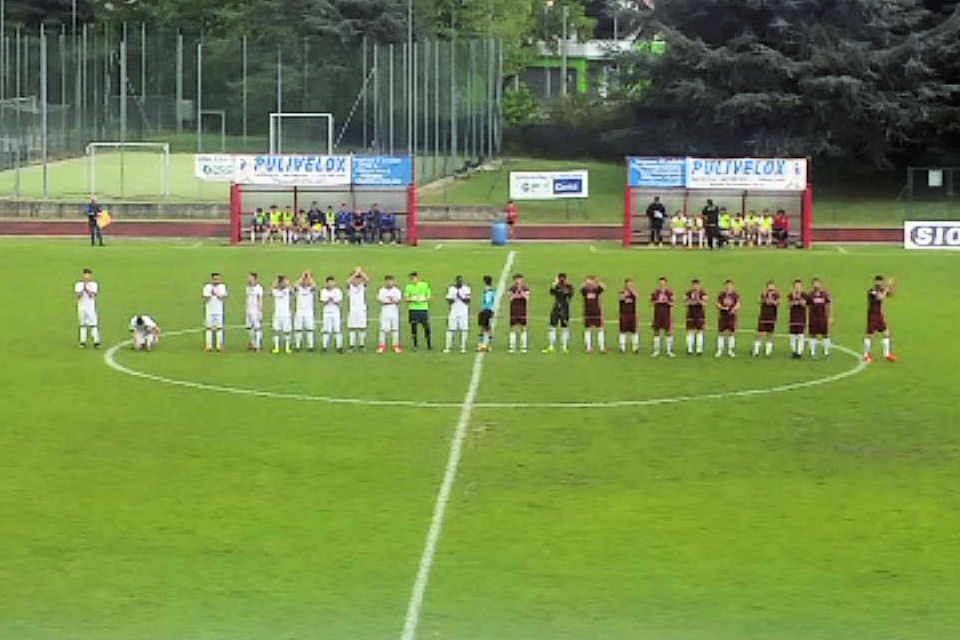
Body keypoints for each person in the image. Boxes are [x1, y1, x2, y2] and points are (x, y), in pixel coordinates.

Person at [864, 275, 898, 363]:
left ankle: (887, 354)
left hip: (879, 315)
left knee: (886, 333)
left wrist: (892, 286)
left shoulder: (882, 290)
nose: (879, 283)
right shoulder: (872, 291)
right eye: (878, 281)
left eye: (881, 281)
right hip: (872, 315)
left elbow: (891, 294)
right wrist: (887, 288)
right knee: (870, 335)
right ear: (875, 282)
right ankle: (866, 355)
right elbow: (880, 297)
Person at [544, 272, 574, 353]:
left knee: (565, 327)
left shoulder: (569, 287)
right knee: (552, 327)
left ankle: (564, 346)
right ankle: (551, 346)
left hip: (565, 308)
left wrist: (564, 288)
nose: (562, 280)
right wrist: (555, 284)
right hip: (556, 308)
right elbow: (551, 292)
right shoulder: (556, 286)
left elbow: (570, 295)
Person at [405, 271, 433, 350]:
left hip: (423, 309)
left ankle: (429, 344)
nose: (413, 280)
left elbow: (429, 297)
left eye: (414, 278)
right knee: (414, 327)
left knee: (426, 327)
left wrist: (423, 299)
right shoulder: (408, 287)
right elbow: (407, 298)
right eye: (412, 279)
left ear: (418, 278)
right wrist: (412, 299)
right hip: (413, 309)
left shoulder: (424, 285)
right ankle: (415, 345)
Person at [806, 277, 832, 359]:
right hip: (813, 317)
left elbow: (828, 305)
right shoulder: (810, 295)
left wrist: (830, 316)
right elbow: (807, 306)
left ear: (821, 284)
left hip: (823, 317)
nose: (816, 285)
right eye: (814, 284)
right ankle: (813, 352)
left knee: (825, 334)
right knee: (813, 335)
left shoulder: (825, 294)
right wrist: (806, 318)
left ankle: (826, 352)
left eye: (818, 283)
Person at [75, 267, 101, 348]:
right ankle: (83, 341)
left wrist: (87, 289)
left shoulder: (94, 285)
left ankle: (96, 341)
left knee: (93, 324)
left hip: (91, 307)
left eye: (89, 275)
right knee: (83, 324)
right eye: (86, 275)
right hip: (82, 307)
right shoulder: (79, 284)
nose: (87, 276)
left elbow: (93, 296)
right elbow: (78, 296)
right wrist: (82, 289)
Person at [445, 275, 472, 353]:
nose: (459, 282)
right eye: (458, 281)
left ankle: (463, 347)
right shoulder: (451, 289)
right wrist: (453, 298)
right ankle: (448, 347)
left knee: (464, 329)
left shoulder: (466, 289)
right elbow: (449, 301)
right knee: (450, 329)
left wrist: (460, 296)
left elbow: (467, 301)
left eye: (460, 281)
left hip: (463, 311)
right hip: (453, 311)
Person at [377, 275, 403, 354]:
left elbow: (398, 300)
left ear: (394, 282)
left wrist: (391, 300)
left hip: (394, 310)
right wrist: (390, 300)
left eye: (391, 281)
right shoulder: (381, 290)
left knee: (395, 329)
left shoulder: (397, 290)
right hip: (385, 310)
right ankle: (382, 346)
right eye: (388, 281)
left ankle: (396, 346)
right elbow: (380, 300)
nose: (389, 283)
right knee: (383, 329)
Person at [753, 280, 781, 357]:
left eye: (772, 286)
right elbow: (759, 301)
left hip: (772, 317)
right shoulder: (763, 294)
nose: (771, 288)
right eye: (769, 286)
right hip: (763, 317)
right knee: (760, 334)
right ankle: (756, 351)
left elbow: (778, 303)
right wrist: (765, 299)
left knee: (770, 334)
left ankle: (768, 351)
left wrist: (772, 301)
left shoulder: (776, 295)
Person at [202, 272, 228, 352]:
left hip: (219, 310)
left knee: (219, 328)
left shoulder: (222, 287)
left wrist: (218, 294)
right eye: (215, 279)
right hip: (209, 310)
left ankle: (219, 346)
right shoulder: (207, 287)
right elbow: (205, 298)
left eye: (218, 279)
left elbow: (224, 297)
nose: (217, 280)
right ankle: (208, 346)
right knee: (209, 328)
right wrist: (210, 294)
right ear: (212, 279)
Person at [650, 276, 676, 357]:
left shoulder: (670, 293)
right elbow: (651, 303)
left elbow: (673, 303)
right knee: (656, 332)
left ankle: (669, 351)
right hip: (657, 315)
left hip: (666, 315)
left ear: (666, 284)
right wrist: (657, 301)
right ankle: (656, 351)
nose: (662, 285)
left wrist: (666, 301)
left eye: (663, 283)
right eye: (660, 283)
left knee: (668, 332)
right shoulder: (655, 292)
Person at [715, 279, 741, 357]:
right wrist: (722, 307)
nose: (728, 287)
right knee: (722, 333)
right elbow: (717, 303)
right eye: (727, 285)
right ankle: (720, 350)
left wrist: (734, 309)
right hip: (723, 316)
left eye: (730, 285)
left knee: (732, 333)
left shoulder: (735, 295)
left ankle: (730, 350)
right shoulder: (721, 294)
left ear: (732, 286)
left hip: (732, 316)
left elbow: (738, 304)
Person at [347, 266, 371, 351]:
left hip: (361, 309)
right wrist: (355, 273)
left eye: (359, 279)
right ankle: (351, 345)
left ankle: (362, 345)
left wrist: (361, 272)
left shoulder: (363, 286)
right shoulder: (350, 287)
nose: (357, 280)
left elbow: (368, 280)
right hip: (353, 309)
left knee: (362, 328)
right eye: (356, 278)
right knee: (352, 328)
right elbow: (348, 281)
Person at [581, 275, 607, 353]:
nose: (590, 284)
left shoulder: (597, 290)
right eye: (589, 283)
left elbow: (604, 287)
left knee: (600, 328)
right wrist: (586, 283)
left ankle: (602, 348)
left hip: (597, 311)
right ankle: (589, 348)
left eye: (591, 282)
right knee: (589, 329)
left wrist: (597, 282)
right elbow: (581, 288)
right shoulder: (585, 290)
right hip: (588, 312)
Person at [294, 270, 317, 352]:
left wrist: (309, 277)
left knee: (310, 329)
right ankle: (297, 345)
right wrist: (302, 277)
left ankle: (310, 346)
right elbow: (296, 285)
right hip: (299, 310)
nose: (305, 282)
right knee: (298, 329)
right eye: (304, 280)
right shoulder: (299, 289)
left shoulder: (311, 289)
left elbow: (314, 285)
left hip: (309, 311)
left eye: (307, 280)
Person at [684, 279, 709, 356]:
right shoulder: (688, 293)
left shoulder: (703, 293)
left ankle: (699, 349)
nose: (695, 287)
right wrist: (691, 302)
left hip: (700, 314)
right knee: (690, 332)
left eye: (697, 285)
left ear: (699, 285)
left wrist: (698, 300)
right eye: (694, 285)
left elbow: (705, 303)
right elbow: (685, 302)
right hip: (691, 314)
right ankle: (690, 349)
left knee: (700, 331)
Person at [320, 276, 344, 353]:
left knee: (337, 330)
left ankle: (339, 346)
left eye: (332, 282)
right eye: (329, 282)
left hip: (336, 312)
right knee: (326, 330)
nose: (330, 284)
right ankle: (324, 346)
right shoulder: (323, 291)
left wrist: (333, 300)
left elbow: (339, 302)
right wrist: (328, 300)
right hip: (326, 312)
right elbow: (322, 302)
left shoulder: (338, 291)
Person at [507, 273, 531, 353]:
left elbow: (527, 298)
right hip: (514, 309)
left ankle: (524, 347)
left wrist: (521, 291)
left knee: (524, 327)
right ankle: (512, 346)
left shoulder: (526, 288)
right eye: (517, 279)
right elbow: (510, 298)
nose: (519, 281)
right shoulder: (512, 288)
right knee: (514, 327)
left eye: (520, 279)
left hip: (523, 309)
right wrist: (516, 293)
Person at [271, 275, 293, 354]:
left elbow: (292, 290)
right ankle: (276, 347)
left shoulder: (287, 290)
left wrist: (286, 282)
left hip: (286, 314)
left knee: (287, 331)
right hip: (277, 314)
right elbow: (272, 288)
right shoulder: (275, 291)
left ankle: (287, 347)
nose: (281, 283)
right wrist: (277, 282)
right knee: (276, 331)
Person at [618, 278, 640, 354]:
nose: (629, 286)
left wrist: (632, 291)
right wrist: (625, 294)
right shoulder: (622, 292)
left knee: (634, 331)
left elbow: (637, 297)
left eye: (630, 284)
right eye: (628, 284)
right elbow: (620, 298)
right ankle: (622, 347)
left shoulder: (634, 292)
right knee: (623, 331)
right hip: (624, 314)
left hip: (632, 314)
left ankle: (635, 347)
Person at [787, 279, 807, 359]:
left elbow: (805, 305)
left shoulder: (805, 295)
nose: (797, 288)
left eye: (799, 286)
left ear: (801, 287)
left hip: (801, 318)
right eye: (796, 286)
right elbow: (789, 305)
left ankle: (799, 352)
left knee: (800, 335)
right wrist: (793, 300)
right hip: (793, 318)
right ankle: (794, 351)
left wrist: (798, 298)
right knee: (792, 335)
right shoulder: (791, 295)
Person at [245, 272, 264, 351]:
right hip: (248, 309)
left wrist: (260, 311)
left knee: (257, 327)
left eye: (251, 278)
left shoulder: (259, 288)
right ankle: (252, 343)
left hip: (255, 310)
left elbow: (260, 300)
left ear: (255, 279)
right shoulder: (248, 288)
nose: (249, 279)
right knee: (249, 327)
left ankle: (258, 345)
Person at [477, 275, 496, 352]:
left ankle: (486, 345)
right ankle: (483, 344)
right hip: (486, 310)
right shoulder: (490, 290)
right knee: (483, 327)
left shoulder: (489, 291)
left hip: (487, 310)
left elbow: (487, 301)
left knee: (486, 327)